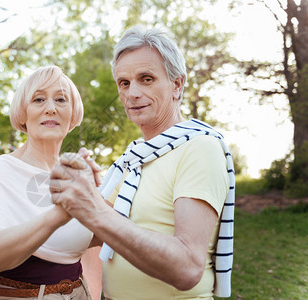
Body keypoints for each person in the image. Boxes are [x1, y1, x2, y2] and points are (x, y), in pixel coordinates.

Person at [49, 26, 235, 300]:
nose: (131, 93)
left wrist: (95, 210)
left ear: (177, 84)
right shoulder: (132, 160)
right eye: (123, 83)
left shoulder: (199, 148)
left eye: (146, 79)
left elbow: (187, 267)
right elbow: (90, 234)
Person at [0, 66, 103, 300]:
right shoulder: (0, 170)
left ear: (72, 114)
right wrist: (60, 214)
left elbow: (94, 239)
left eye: (61, 99)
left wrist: (96, 200)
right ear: (23, 113)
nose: (51, 108)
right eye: (39, 99)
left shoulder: (76, 174)